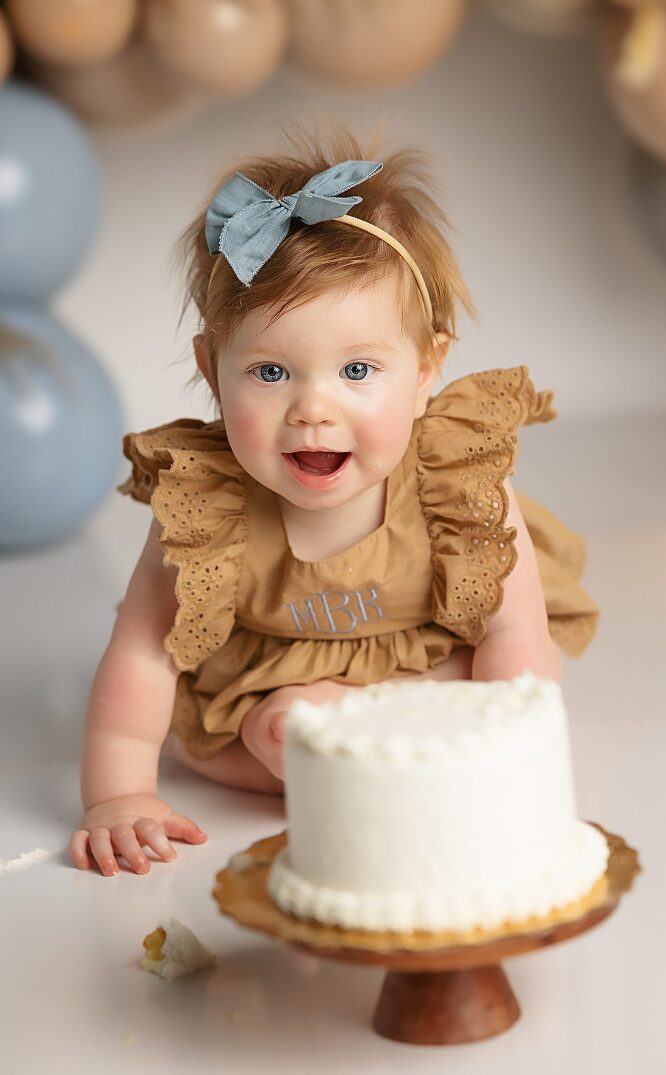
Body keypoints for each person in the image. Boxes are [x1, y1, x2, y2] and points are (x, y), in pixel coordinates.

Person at [69, 125, 599, 877]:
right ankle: (291, 747)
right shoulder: (206, 504)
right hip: (266, 695)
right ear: (211, 368)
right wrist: (116, 796)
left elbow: (515, 632)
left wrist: (507, 761)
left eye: (356, 369)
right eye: (271, 373)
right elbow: (143, 650)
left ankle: (381, 745)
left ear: (426, 368)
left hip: (424, 672)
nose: (314, 410)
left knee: (492, 676)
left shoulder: (458, 479)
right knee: (233, 744)